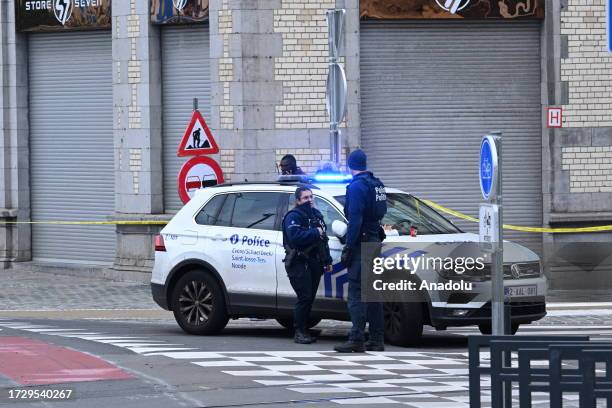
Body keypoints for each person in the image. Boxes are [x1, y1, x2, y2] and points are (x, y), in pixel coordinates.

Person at [334, 149, 388, 353]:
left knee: (356, 291)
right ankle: (376, 338)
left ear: (350, 166)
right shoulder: (377, 184)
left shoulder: (356, 187)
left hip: (362, 243)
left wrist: (348, 246)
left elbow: (355, 219)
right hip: (374, 241)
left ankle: (356, 338)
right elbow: (382, 212)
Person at [282, 187, 333, 344]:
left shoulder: (316, 215)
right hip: (298, 262)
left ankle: (304, 330)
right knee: (304, 297)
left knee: (309, 298)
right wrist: (315, 232)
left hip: (314, 262)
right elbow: (295, 237)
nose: (309, 200)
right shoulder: (293, 217)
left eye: (311, 197)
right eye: (305, 198)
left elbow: (323, 241)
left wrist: (327, 260)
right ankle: (299, 331)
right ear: (298, 201)